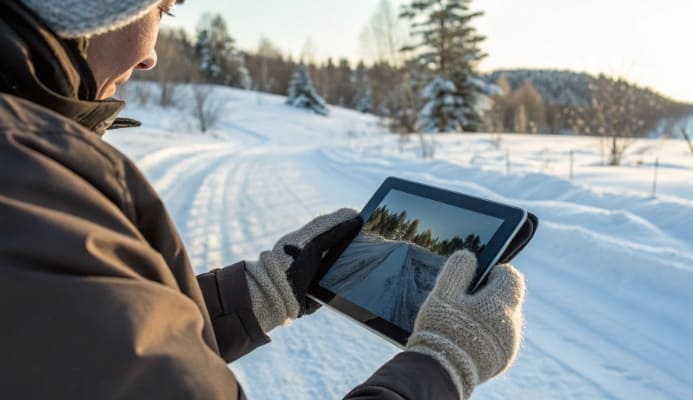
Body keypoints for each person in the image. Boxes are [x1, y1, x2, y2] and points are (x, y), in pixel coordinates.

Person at [0, 0, 527, 399]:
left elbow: (97, 349)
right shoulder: (29, 186)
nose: (151, 55)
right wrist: (439, 368)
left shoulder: (25, 174)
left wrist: (260, 292)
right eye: (161, 7)